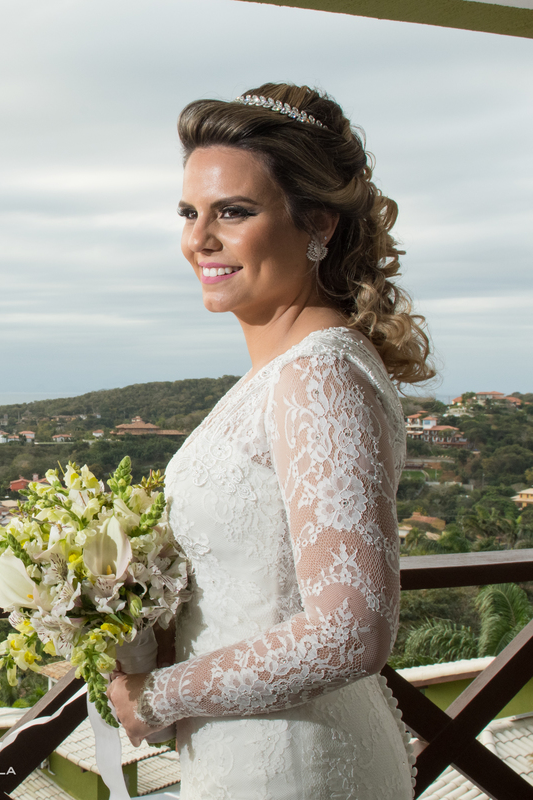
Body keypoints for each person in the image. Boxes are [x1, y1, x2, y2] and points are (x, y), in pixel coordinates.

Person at [105, 83, 434, 799]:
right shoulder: (284, 373)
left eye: (234, 211)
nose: (200, 239)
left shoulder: (320, 376)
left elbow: (351, 632)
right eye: (190, 213)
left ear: (316, 221)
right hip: (247, 754)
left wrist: (156, 696)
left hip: (295, 764)